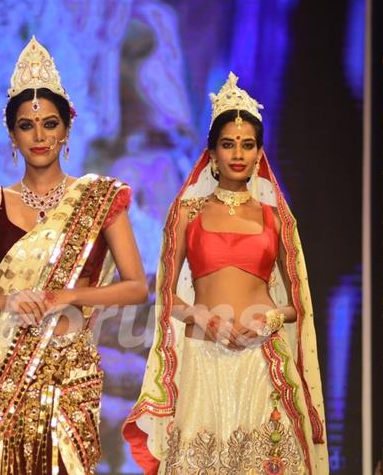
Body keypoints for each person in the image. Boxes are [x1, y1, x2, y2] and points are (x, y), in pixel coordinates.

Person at [0, 36, 148, 475]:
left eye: (50, 124)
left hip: (66, 373)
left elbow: (136, 288)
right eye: (27, 126)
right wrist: (4, 302)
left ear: (66, 129)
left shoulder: (98, 198)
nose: (40, 136)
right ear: (12, 134)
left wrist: (63, 298)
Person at [122, 72, 328, 474]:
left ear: (259, 153)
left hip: (261, 358)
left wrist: (269, 319)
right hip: (203, 356)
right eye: (228, 144)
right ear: (212, 153)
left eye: (247, 145)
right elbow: (166, 295)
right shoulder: (186, 213)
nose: (238, 153)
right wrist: (200, 315)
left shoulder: (276, 218)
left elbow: (297, 304)